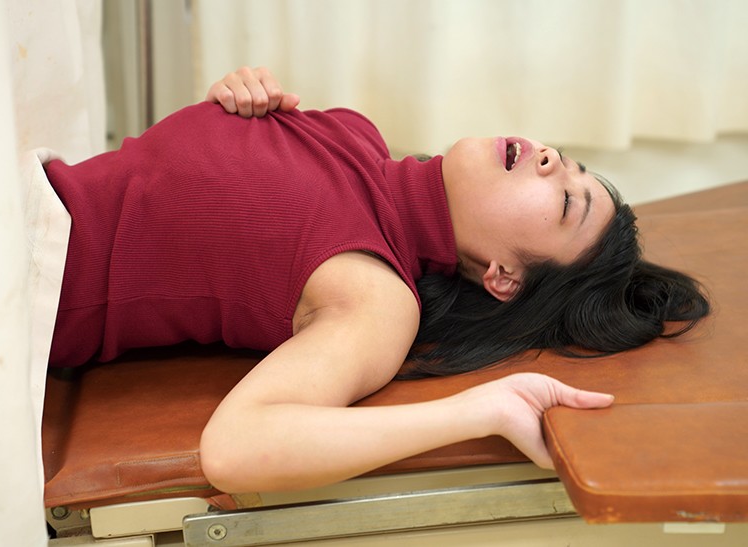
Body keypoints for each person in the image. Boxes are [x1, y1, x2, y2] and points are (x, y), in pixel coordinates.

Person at [43, 67, 708, 493]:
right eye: (568, 163)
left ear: (504, 277)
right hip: (24, 186)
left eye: (565, 201)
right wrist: (235, 92)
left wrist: (483, 408)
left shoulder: (376, 297)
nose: (550, 158)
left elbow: (236, 447)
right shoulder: (355, 135)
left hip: (18, 275)